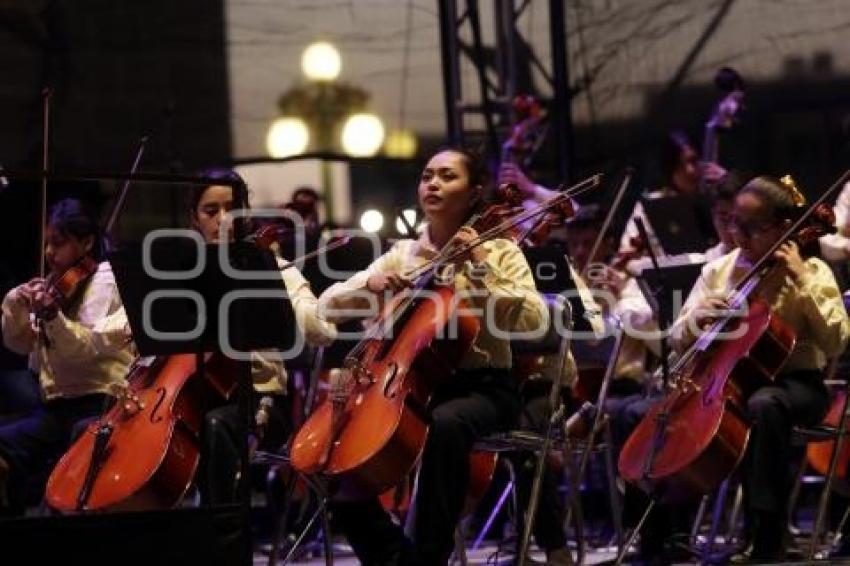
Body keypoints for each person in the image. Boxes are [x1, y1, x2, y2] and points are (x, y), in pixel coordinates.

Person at [318, 147, 549, 565]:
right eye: (427, 176)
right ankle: (393, 557)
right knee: (327, 449)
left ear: (475, 191)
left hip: (482, 389)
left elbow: (532, 317)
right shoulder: (402, 254)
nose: (433, 184)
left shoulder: (499, 251)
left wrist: (478, 266)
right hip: (405, 387)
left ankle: (429, 557)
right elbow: (327, 306)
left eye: (447, 176)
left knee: (446, 424)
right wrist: (372, 284)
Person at [670, 175, 850, 560]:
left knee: (764, 406)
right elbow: (675, 336)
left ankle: (767, 535)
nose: (738, 234)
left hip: (797, 385)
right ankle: (666, 533)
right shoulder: (718, 271)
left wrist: (802, 281)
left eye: (751, 227)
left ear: (783, 228)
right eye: (734, 222)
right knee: (665, 410)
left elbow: (836, 340)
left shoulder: (812, 272)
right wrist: (697, 318)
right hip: (731, 381)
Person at [186, 169, 337, 505]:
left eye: (233, 209)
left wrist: (316, 307)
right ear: (194, 218)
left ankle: (222, 539)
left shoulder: (275, 267)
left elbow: (321, 330)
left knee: (216, 427)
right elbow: (122, 324)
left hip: (260, 405)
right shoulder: (180, 271)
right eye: (211, 211)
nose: (224, 220)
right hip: (192, 400)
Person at [0, 198, 135, 515]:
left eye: (58, 243)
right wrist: (18, 304)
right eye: (47, 243)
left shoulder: (107, 281)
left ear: (87, 242)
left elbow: (86, 350)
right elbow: (19, 345)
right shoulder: (57, 287)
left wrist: (53, 318)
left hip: (101, 405)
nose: (49, 253)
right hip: (54, 411)